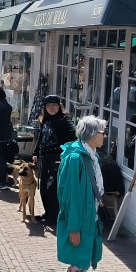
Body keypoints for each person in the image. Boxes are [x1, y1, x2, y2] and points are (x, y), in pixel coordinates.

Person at [54, 115, 107, 272]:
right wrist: (74, 228)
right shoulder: (76, 158)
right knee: (79, 264)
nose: (104, 135)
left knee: (80, 265)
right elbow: (70, 196)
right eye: (101, 132)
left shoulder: (92, 155)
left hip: (90, 218)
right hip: (81, 221)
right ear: (91, 134)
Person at [35, 95, 77, 227]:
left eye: (54, 105)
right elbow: (41, 137)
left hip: (57, 158)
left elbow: (74, 134)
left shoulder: (64, 120)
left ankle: (53, 217)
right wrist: (35, 152)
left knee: (52, 189)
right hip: (45, 157)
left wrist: (65, 150)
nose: (51, 108)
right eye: (48, 106)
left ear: (59, 106)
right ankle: (47, 213)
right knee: (43, 188)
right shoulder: (45, 119)